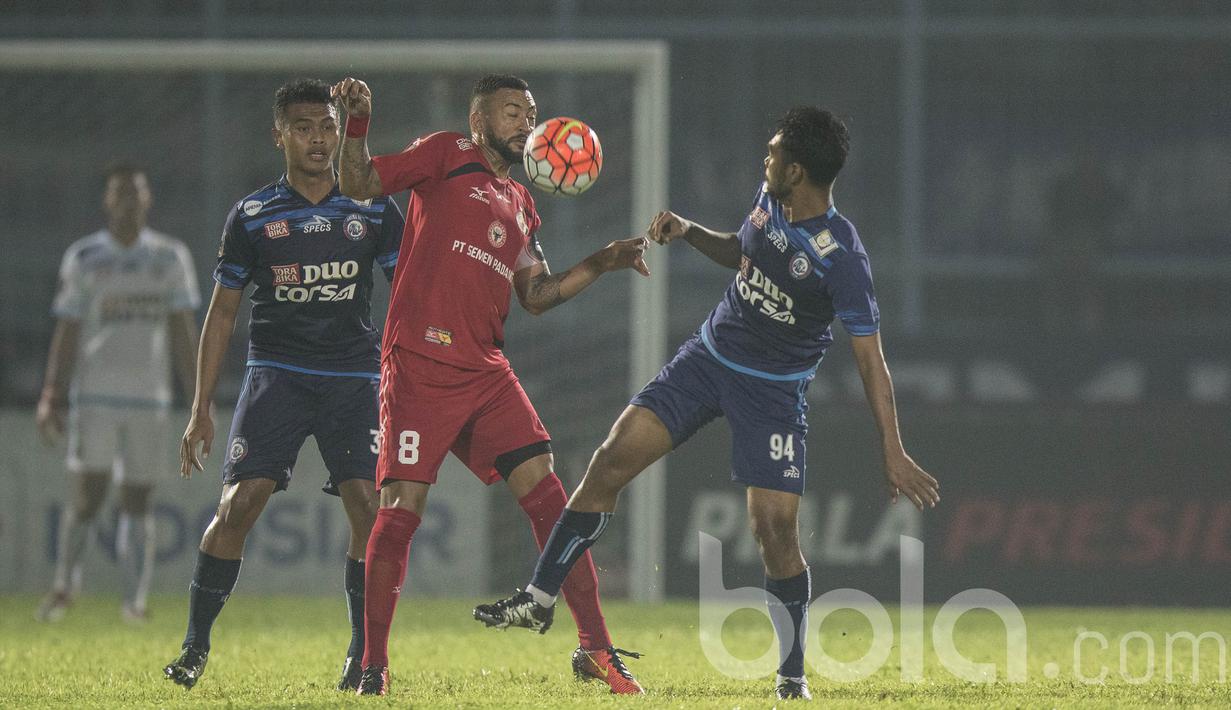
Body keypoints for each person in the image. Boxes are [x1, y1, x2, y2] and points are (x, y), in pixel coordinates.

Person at [473, 107, 942, 701]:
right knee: (610, 459)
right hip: (707, 359)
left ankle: (791, 676)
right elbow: (742, 251)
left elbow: (871, 361)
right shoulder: (771, 200)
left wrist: (893, 449)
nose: (763, 159)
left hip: (773, 393)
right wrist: (691, 232)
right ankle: (539, 598)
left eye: (773, 154)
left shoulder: (842, 258)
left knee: (773, 528)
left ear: (797, 171)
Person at [331, 73, 650, 696]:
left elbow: (535, 295)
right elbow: (359, 183)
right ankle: (373, 665)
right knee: (401, 513)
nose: (525, 122)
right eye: (511, 112)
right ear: (480, 122)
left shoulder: (522, 203)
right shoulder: (446, 154)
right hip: (420, 363)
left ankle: (597, 650)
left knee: (555, 499)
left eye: (530, 111)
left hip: (486, 371)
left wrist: (602, 262)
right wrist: (358, 125)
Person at [161, 78, 405, 692]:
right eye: (304, 128)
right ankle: (194, 647)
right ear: (280, 136)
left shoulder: (373, 207)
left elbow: (409, 295)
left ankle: (362, 656)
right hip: (278, 376)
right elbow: (220, 315)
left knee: (369, 510)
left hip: (354, 375)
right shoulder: (253, 215)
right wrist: (200, 411)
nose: (319, 138)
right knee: (238, 506)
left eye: (327, 125)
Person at [35, 163, 200, 624]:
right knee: (88, 494)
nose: (128, 201)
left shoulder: (169, 257)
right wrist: (53, 391)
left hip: (150, 397)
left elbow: (182, 331)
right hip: (96, 397)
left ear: (148, 200)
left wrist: (197, 396)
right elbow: (66, 329)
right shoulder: (85, 257)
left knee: (139, 499)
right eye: (120, 193)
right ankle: (66, 586)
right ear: (108, 201)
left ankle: (134, 601)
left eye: (136, 193)